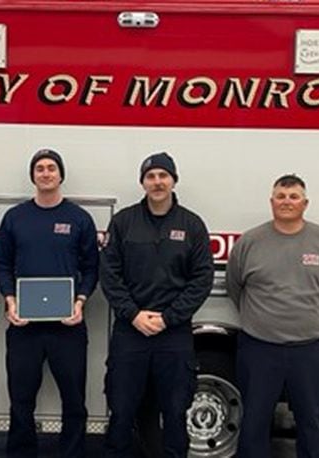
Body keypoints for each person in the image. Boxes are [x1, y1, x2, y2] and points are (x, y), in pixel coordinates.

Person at [226, 174, 319, 458]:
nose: (286, 202)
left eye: (294, 197)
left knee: (313, 424)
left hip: (312, 349)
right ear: (271, 202)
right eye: (280, 196)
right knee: (254, 424)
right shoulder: (250, 242)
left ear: (305, 203)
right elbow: (236, 287)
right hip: (259, 349)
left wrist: (311, 318)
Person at [100, 152, 214, 457]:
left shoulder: (192, 224)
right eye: (151, 176)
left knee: (175, 412)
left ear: (174, 180)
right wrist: (134, 314)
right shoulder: (124, 221)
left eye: (163, 175)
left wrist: (168, 318)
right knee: (121, 410)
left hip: (173, 334)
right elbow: (110, 275)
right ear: (143, 183)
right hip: (130, 331)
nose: (157, 182)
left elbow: (202, 278)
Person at [0, 148, 100, 458]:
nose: (46, 173)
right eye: (39, 168)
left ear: (61, 174)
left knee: (74, 399)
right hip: (24, 327)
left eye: (51, 168)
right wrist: (10, 299)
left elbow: (92, 267)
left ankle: (72, 453)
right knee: (21, 399)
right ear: (33, 176)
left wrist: (81, 300)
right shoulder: (16, 217)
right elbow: (1, 264)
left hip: (68, 326)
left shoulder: (79, 218)